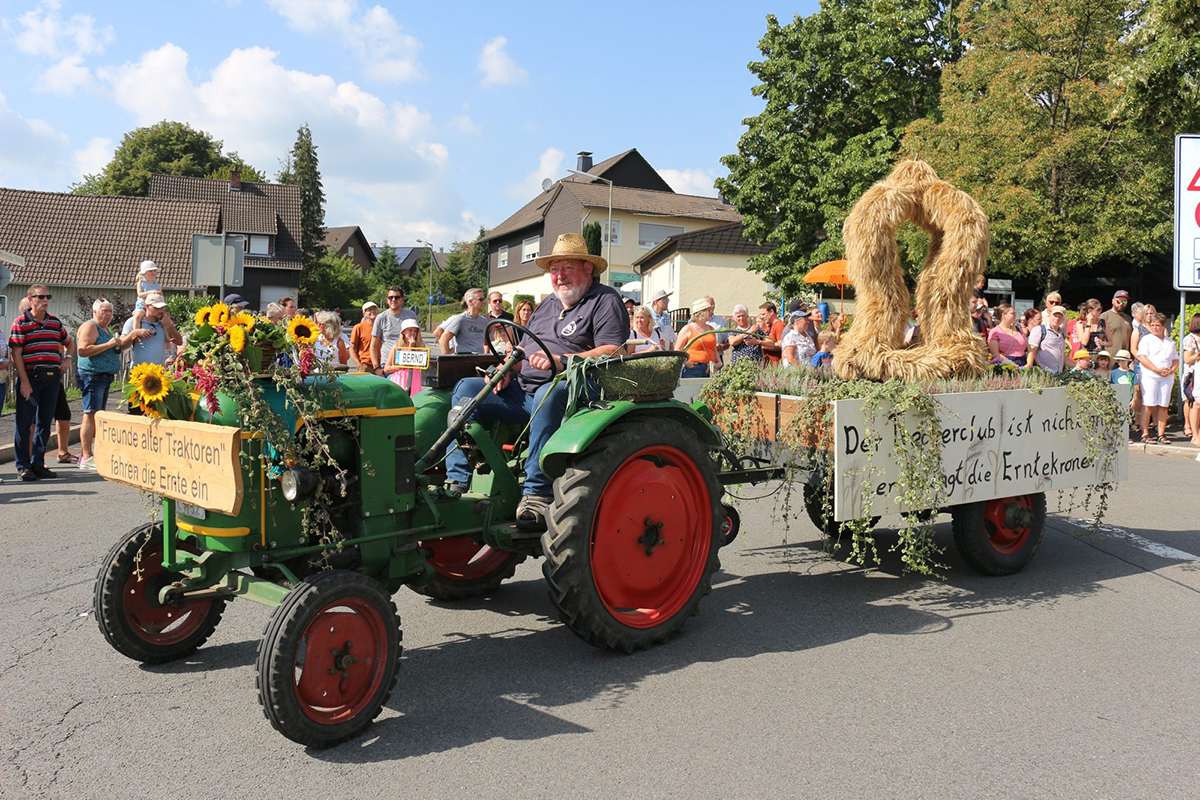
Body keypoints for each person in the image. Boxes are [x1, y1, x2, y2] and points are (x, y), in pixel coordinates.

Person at [443, 232, 627, 530]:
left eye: (567, 267)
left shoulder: (605, 300)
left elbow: (613, 350)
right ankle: (459, 478)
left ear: (588, 268)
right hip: (524, 390)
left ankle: (536, 494)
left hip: (578, 392)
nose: (559, 276)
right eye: (554, 269)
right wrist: (504, 368)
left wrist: (560, 359)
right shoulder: (547, 305)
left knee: (548, 392)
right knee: (467, 388)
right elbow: (524, 347)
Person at [75, 298, 150, 469]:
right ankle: (86, 455)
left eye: (110, 311)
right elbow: (83, 349)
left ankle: (88, 454)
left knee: (97, 414)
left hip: (103, 376)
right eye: (104, 311)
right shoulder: (90, 326)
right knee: (90, 413)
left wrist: (131, 336)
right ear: (95, 312)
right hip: (93, 374)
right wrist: (108, 344)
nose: (108, 314)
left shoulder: (105, 329)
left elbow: (115, 348)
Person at [9, 285, 73, 481]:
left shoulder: (54, 322)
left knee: (45, 423)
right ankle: (23, 466)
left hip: (52, 378)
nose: (45, 300)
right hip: (32, 378)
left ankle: (38, 463)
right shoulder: (20, 323)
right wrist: (24, 382)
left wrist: (68, 359)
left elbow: (69, 342)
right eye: (40, 297)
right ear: (31, 299)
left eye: (47, 297)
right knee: (24, 422)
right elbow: (16, 355)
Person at [1136, 312, 1179, 443]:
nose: (1155, 328)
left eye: (1157, 325)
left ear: (1163, 326)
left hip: (1166, 376)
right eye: (1153, 325)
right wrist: (1156, 369)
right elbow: (1142, 357)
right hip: (1150, 375)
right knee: (1148, 404)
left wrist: (1171, 370)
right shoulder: (1147, 339)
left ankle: (1161, 433)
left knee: (1163, 405)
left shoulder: (1169, 341)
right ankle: (1145, 433)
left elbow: (1176, 359)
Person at [122, 292, 183, 370]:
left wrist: (169, 326)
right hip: (139, 374)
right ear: (147, 306)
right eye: (157, 308)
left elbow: (179, 341)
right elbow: (121, 345)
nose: (161, 311)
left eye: (162, 307)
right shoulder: (133, 322)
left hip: (159, 374)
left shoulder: (164, 323)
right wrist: (135, 332)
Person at [370, 286, 419, 376]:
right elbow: (373, 345)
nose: (393, 300)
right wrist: (376, 368)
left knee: (409, 390)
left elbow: (419, 339)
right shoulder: (381, 317)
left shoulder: (410, 315)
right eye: (390, 297)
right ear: (387, 300)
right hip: (388, 366)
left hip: (408, 363)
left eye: (397, 297)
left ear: (402, 300)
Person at [676, 299, 719, 377]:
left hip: (710, 368)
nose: (711, 313)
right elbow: (677, 350)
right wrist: (687, 363)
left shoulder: (711, 329)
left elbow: (713, 348)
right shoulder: (687, 329)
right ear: (701, 313)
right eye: (708, 310)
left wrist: (719, 362)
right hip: (693, 368)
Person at [439, 289, 489, 355]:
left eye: (484, 299)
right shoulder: (461, 319)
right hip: (464, 359)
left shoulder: (483, 321)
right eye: (480, 299)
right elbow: (443, 339)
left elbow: (486, 343)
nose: (484, 302)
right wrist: (447, 359)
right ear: (471, 301)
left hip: (478, 359)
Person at [384, 319, 426, 394]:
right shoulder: (397, 347)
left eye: (415, 331)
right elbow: (386, 368)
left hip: (414, 380)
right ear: (403, 332)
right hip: (399, 379)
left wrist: (412, 346)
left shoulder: (421, 346)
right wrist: (399, 366)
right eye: (410, 330)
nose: (413, 333)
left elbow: (424, 365)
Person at [1109, 349, 1140, 442]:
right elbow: (1110, 385)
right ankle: (1116, 435)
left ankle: (1126, 436)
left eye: (1123, 360)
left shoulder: (1132, 373)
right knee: (1116, 417)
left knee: (1128, 418)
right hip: (1117, 398)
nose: (1120, 362)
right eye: (1119, 360)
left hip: (1128, 398)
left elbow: (1135, 387)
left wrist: (1134, 399)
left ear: (1128, 361)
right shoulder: (1114, 372)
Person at [1028, 305, 1068, 372]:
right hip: (1043, 374)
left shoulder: (1061, 333)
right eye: (1055, 316)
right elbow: (1032, 350)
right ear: (1049, 315)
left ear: (1063, 319)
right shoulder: (1039, 330)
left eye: (1060, 317)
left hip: (1058, 375)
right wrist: (1031, 365)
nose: (1057, 318)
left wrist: (1078, 366)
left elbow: (1063, 356)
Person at [1180, 313, 1199, 439]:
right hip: (1193, 374)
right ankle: (1188, 426)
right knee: (1190, 400)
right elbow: (1187, 359)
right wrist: (1198, 355)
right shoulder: (1190, 339)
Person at [129, 260, 160, 334]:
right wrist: (150, 292)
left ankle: (166, 336)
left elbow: (161, 294)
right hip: (142, 305)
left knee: (164, 319)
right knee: (137, 316)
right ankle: (135, 333)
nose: (153, 273)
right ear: (144, 273)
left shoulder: (157, 284)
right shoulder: (141, 283)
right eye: (150, 271)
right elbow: (140, 294)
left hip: (154, 305)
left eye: (154, 271)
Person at [1100, 291, 1133, 356]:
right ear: (1113, 301)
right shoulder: (1104, 317)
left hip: (1125, 358)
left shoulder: (1128, 318)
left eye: (1124, 302)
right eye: (1118, 301)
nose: (1121, 304)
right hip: (1109, 358)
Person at [350, 301, 379, 371]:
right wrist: (359, 365)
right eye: (369, 310)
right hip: (366, 365)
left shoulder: (382, 327)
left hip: (381, 365)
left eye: (374, 309)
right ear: (364, 314)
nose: (372, 311)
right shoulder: (358, 327)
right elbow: (352, 349)